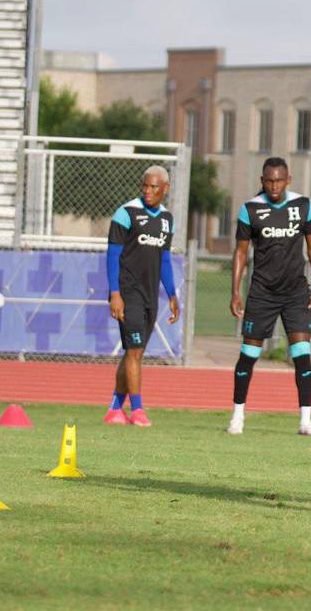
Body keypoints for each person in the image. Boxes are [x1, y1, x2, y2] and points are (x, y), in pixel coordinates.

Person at [228, 157, 311, 437]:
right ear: (262, 181)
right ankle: (237, 416)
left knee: (302, 355)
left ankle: (306, 421)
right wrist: (235, 291)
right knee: (249, 355)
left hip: (296, 292)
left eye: (279, 180)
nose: (274, 185)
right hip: (261, 292)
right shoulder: (250, 209)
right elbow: (240, 253)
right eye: (269, 180)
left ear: (288, 180)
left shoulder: (303, 206)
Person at [104, 165, 181, 427]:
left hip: (150, 296)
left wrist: (172, 294)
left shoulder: (167, 219)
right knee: (135, 352)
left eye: (154, 187)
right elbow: (113, 255)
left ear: (165, 189)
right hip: (128, 292)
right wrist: (115, 293)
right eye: (145, 186)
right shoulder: (126, 213)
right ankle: (137, 410)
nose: (148, 191)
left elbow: (165, 259)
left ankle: (115, 408)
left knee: (132, 353)